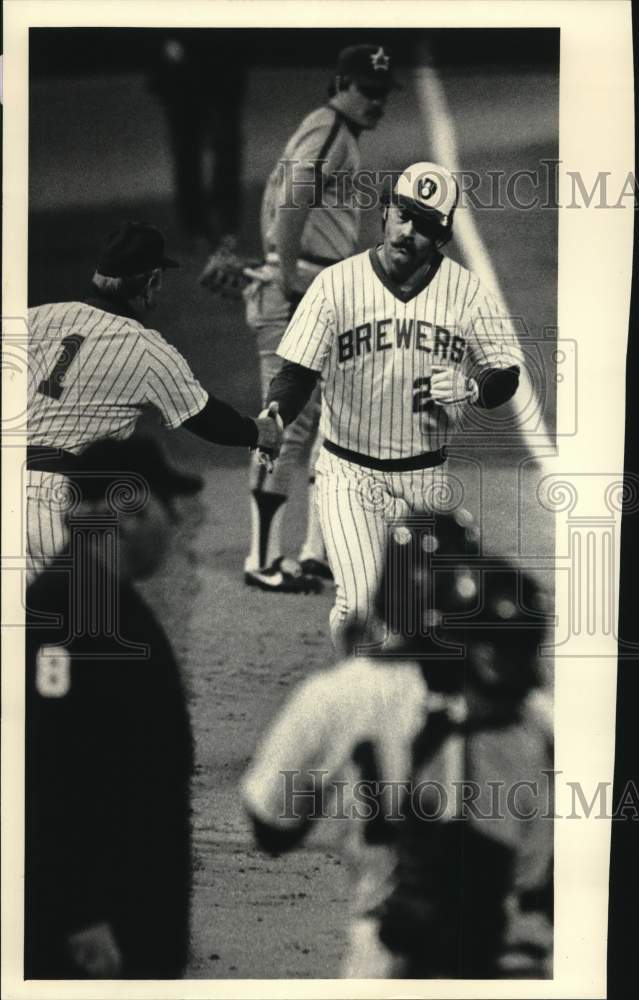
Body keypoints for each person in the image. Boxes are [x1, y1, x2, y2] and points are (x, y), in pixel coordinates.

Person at [241, 518, 553, 978]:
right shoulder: (534, 718)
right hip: (510, 953)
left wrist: (344, 788)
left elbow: (271, 828)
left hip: (385, 952)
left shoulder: (339, 693)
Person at [264, 160, 522, 644]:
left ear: (440, 236)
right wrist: (276, 412)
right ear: (384, 211)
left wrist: (471, 387)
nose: (407, 231)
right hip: (347, 474)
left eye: (424, 225)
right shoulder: (336, 285)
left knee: (422, 609)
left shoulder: (467, 293)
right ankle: (357, 704)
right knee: (357, 603)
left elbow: (504, 373)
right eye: (402, 214)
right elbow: (296, 374)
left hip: (426, 477)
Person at [25, 436, 204, 978]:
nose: (174, 526)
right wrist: (79, 913)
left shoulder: (105, 599)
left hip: (131, 905)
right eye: (167, 508)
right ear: (131, 511)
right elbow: (44, 768)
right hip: (97, 926)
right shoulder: (67, 605)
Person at [26, 220, 282, 583]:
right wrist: (262, 432)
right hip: (65, 505)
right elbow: (207, 419)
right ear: (148, 284)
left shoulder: (35, 318)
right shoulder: (146, 349)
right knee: (74, 623)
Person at [239, 44, 400, 593]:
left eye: (383, 92)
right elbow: (293, 205)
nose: (378, 102)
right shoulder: (329, 128)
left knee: (326, 420)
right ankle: (263, 561)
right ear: (340, 84)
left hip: (310, 287)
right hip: (298, 291)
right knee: (284, 424)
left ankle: (313, 553)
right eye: (368, 90)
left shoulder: (334, 131)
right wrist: (286, 278)